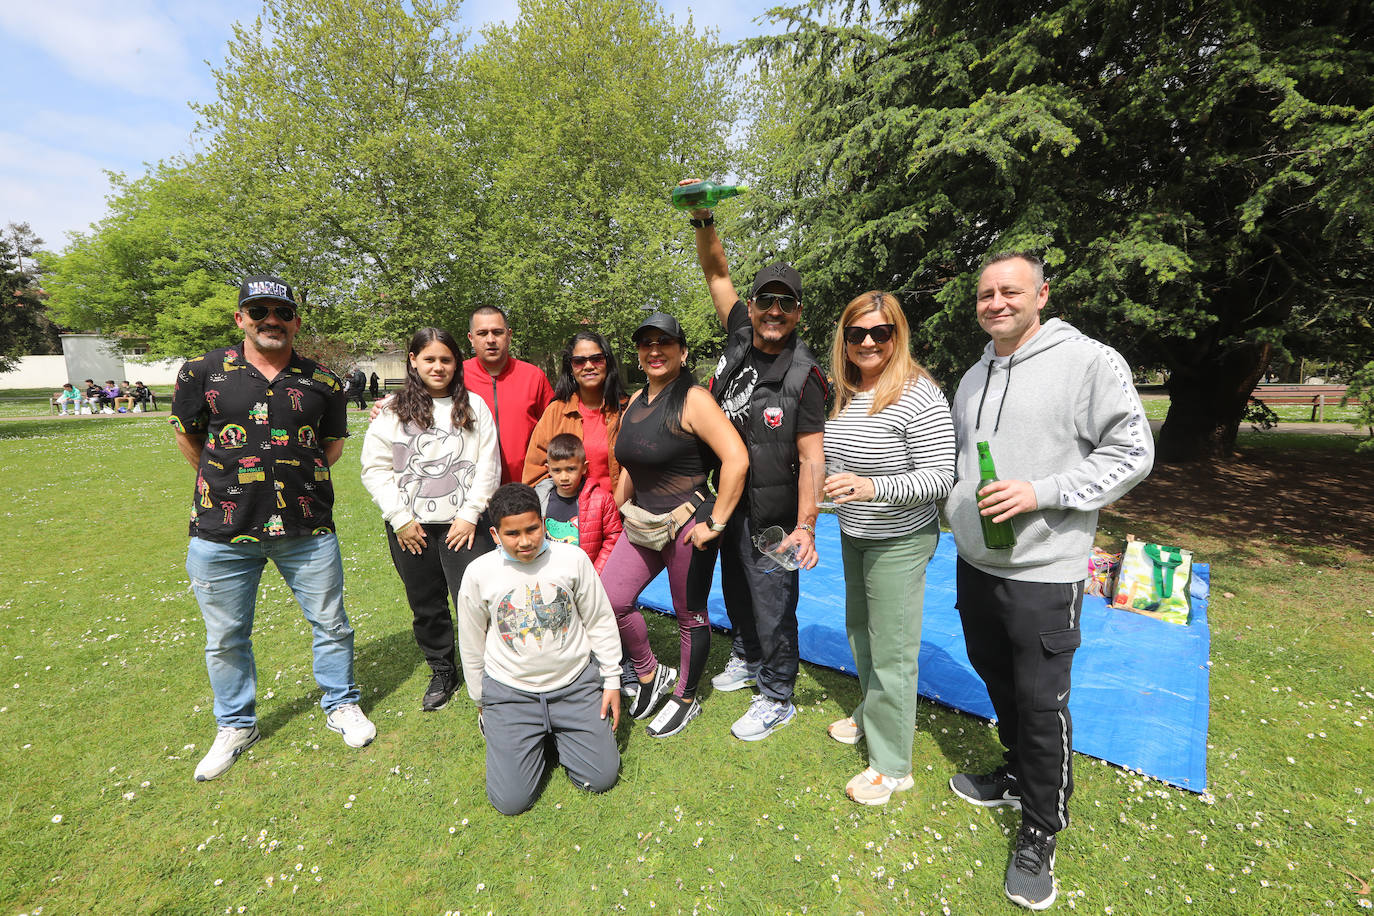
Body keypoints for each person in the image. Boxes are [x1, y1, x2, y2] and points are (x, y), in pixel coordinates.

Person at [944, 252, 1153, 909]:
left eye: (1010, 291)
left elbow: (1134, 451)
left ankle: (1041, 825)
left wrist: (1043, 490)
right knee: (994, 673)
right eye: (985, 294)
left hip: (1045, 567)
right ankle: (1015, 771)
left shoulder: (1089, 361)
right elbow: (958, 461)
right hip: (976, 562)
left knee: (1040, 700)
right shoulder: (974, 374)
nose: (996, 302)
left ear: (1042, 295)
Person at [170, 274, 375, 782]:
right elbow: (190, 439)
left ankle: (341, 703)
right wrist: (227, 481)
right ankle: (237, 724)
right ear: (240, 318)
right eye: (258, 311)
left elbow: (331, 447)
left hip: (306, 528)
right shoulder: (201, 372)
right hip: (222, 529)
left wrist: (293, 477)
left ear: (295, 322)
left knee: (331, 623)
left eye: (281, 312)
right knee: (225, 637)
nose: (271, 321)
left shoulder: (323, 380)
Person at [686, 183, 829, 742]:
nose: (773, 311)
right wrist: (702, 217)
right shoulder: (739, 339)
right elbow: (717, 273)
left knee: (775, 602)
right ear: (751, 308)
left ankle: (778, 693)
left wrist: (807, 525)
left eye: (785, 303)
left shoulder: (805, 376)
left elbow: (813, 456)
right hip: (732, 500)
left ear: (797, 312)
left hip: (776, 511)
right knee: (739, 591)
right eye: (765, 301)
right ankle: (745, 656)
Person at [820, 291, 956, 805]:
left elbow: (941, 477)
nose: (869, 342)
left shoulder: (919, 393)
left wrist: (872, 488)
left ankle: (894, 765)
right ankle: (872, 714)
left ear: (897, 335)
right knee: (861, 634)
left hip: (900, 539)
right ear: (845, 340)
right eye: (857, 333)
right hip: (854, 534)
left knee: (894, 651)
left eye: (881, 332)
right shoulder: (846, 391)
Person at [600, 312, 749, 738]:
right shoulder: (635, 401)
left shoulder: (694, 399)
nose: (654, 351)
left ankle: (685, 697)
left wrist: (716, 523)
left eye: (664, 343)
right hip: (643, 521)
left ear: (682, 352)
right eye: (646, 343)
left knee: (690, 615)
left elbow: (736, 459)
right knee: (611, 599)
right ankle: (650, 675)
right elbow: (630, 463)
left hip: (689, 523)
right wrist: (618, 502)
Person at [456, 483, 623, 815]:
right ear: (495, 533)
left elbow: (600, 619)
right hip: (511, 693)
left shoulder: (572, 559)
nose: (525, 541)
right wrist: (481, 700)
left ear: (544, 523)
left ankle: (557, 733)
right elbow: (471, 641)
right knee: (511, 802)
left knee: (601, 777)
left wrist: (612, 680)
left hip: (574, 685)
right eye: (512, 533)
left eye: (532, 529)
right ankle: (519, 733)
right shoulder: (479, 574)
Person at [360, 327, 501, 712]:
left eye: (446, 359)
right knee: (426, 603)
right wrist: (400, 518)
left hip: (464, 525)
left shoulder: (474, 407)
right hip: (411, 527)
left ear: (457, 363)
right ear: (413, 361)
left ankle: (490, 670)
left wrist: (470, 515)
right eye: (430, 359)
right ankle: (442, 669)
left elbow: (489, 466)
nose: (438, 367)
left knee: (473, 601)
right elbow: (374, 468)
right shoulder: (392, 411)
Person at [522, 330, 628, 495]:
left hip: (620, 513)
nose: (588, 366)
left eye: (597, 359)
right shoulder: (555, 412)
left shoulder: (627, 410)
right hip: (570, 517)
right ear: (570, 368)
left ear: (608, 362)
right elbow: (534, 476)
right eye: (579, 361)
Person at [464, 306, 555, 484]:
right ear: (471, 339)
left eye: (497, 332)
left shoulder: (533, 377)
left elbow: (555, 429)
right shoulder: (457, 378)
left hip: (527, 486)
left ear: (509, 335)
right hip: (472, 489)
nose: (490, 340)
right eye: (482, 333)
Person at [532, 432, 622, 573]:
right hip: (549, 574)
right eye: (557, 470)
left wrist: (594, 573)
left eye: (571, 469)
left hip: (586, 575)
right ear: (548, 469)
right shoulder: (539, 499)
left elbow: (613, 538)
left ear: (584, 467)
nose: (564, 477)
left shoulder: (601, 500)